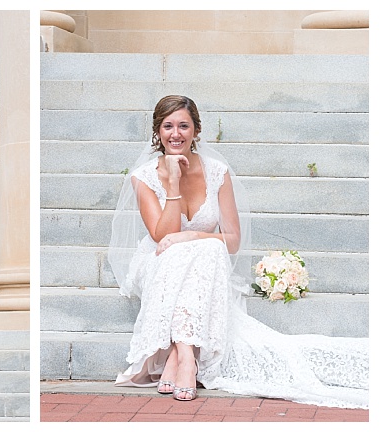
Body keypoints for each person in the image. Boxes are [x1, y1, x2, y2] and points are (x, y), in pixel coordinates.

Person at [108, 95, 368, 407]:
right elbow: (163, 235)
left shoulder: (217, 172)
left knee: (209, 249)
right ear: (158, 132)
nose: (176, 133)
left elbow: (231, 239)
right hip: (157, 261)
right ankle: (188, 357)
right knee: (193, 250)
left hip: (202, 261)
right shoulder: (144, 177)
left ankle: (180, 356)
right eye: (168, 126)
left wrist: (192, 235)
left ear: (195, 130)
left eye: (183, 126)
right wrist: (173, 183)